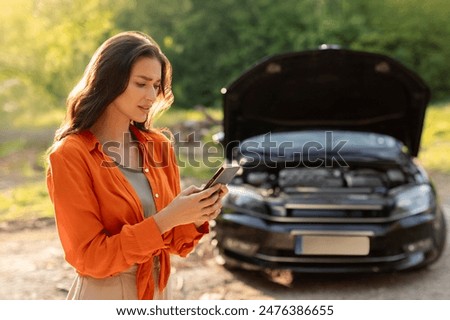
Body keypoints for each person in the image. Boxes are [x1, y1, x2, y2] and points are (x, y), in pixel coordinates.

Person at [46, 31, 228, 300]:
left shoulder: (158, 146)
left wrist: (196, 214)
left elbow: (174, 241)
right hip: (104, 295)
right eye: (141, 83)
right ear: (110, 82)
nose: (152, 95)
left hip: (158, 292)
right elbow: (89, 258)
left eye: (156, 85)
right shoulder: (70, 155)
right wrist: (167, 218)